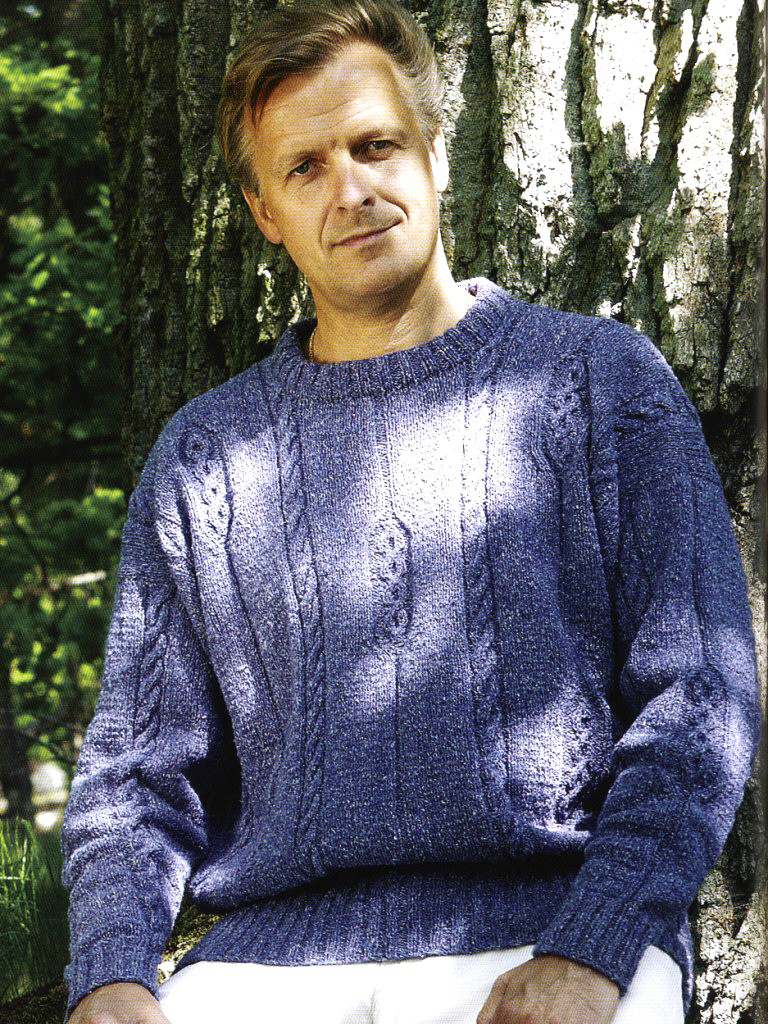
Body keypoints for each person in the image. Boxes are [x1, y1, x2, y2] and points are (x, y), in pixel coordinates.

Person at [60, 2, 762, 1023]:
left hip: (554, 933)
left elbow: (699, 700)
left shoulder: (598, 384)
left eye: (375, 145)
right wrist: (112, 974)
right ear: (264, 212)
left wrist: (595, 945)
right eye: (305, 168)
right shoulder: (205, 459)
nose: (351, 189)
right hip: (268, 963)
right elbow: (135, 776)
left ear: (434, 149)